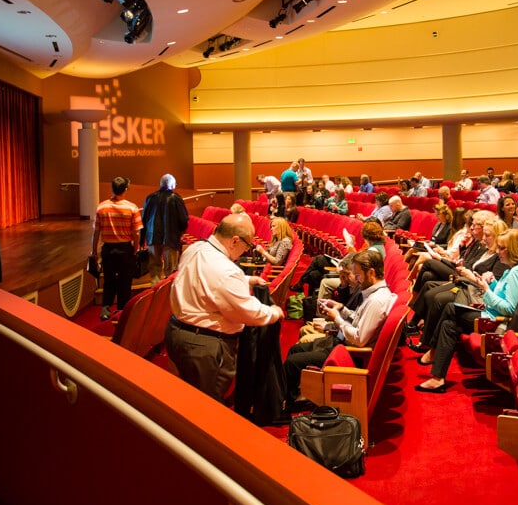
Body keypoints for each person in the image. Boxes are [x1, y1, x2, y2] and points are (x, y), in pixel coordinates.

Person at [165, 213, 285, 402]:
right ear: (234, 241)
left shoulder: (195, 248)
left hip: (176, 332)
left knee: (184, 397)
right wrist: (274, 312)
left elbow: (205, 280)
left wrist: (246, 280)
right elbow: (249, 312)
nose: (246, 251)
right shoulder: (227, 270)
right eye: (247, 245)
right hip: (205, 345)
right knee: (206, 403)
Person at [414, 229, 518, 393]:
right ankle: (438, 378)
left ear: (513, 249)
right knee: (449, 325)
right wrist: (491, 284)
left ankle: (433, 349)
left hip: (500, 324)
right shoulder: (516, 269)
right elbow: (505, 297)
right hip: (494, 315)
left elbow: (509, 309)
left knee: (450, 307)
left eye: (502, 248)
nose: (498, 252)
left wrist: (486, 290)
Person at [283, 249, 395, 407]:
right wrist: (341, 309)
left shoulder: (377, 300)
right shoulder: (373, 294)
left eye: (358, 275)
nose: (356, 280)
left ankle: (288, 406)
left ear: (371, 273)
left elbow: (360, 339)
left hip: (350, 353)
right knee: (295, 351)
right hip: (342, 344)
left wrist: (336, 319)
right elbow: (358, 319)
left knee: (292, 362)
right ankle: (295, 397)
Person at [409, 217, 509, 353]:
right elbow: (471, 266)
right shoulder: (486, 250)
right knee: (430, 284)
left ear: (497, 236)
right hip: (465, 283)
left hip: (475, 292)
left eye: (487, 235)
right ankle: (416, 326)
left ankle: (426, 342)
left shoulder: (500, 257)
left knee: (437, 296)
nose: (484, 238)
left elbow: (492, 286)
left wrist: (470, 275)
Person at [92, 177, 143, 320]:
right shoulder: (132, 208)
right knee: (125, 282)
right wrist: (136, 249)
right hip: (125, 249)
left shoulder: (101, 207)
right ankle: (122, 310)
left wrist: (93, 251)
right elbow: (136, 232)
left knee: (108, 280)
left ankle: (106, 308)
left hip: (108, 249)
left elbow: (96, 232)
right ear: (125, 189)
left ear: (112, 189)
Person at [140, 173, 189, 281]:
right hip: (171, 238)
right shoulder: (176, 198)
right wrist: (180, 233)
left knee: (155, 270)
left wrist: (142, 239)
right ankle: (168, 295)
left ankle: (155, 292)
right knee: (170, 272)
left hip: (152, 237)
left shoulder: (150, 198)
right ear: (171, 185)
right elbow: (184, 219)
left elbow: (143, 220)